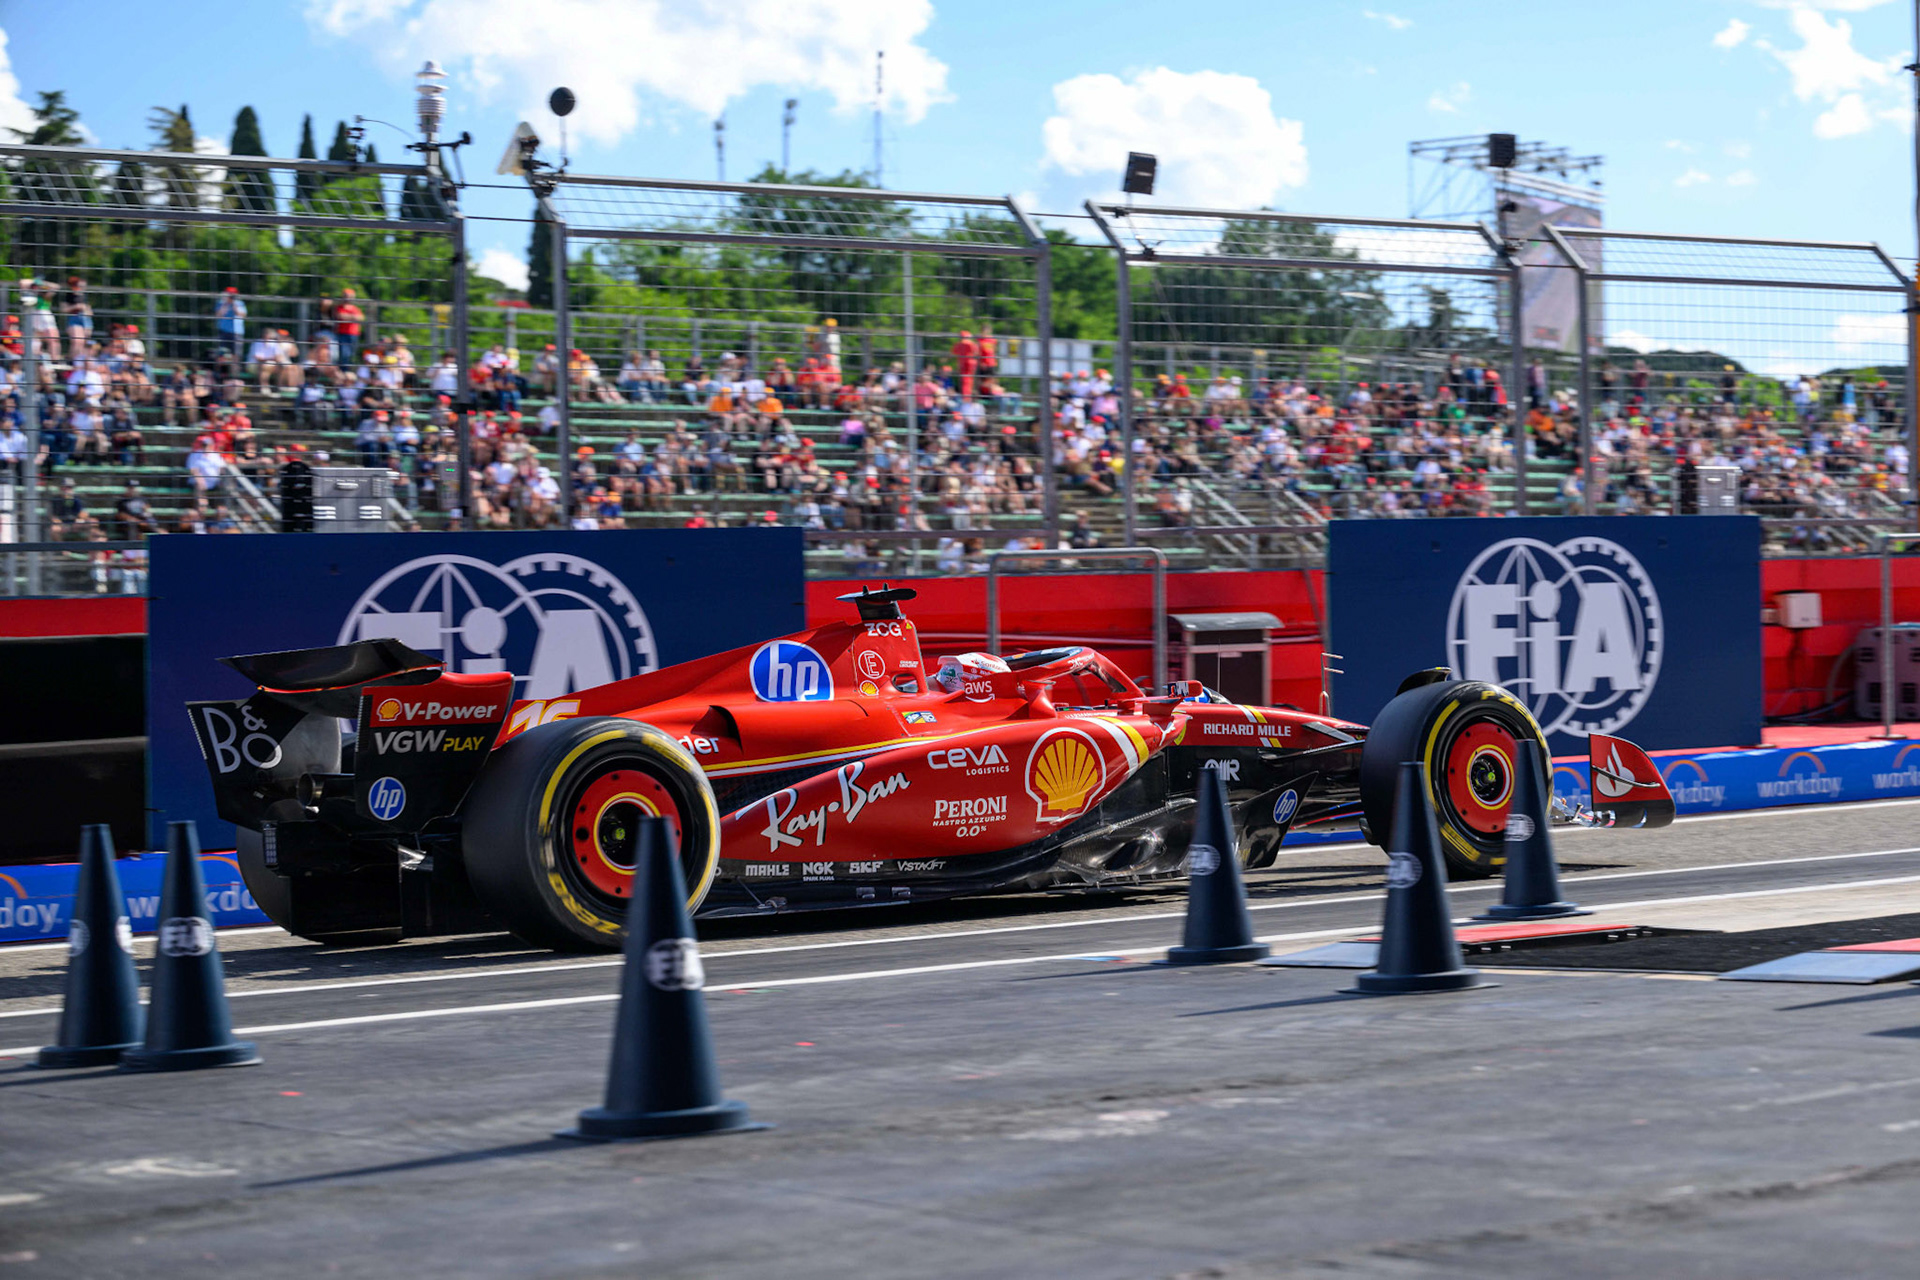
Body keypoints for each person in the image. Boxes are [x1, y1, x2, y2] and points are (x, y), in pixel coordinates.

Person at [334, 288, 365, 364]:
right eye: (346, 296)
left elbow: (361, 318)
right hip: (343, 334)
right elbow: (340, 316)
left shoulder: (355, 308)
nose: (348, 298)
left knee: (352, 354)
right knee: (344, 354)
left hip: (354, 334)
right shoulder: (340, 307)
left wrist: (349, 316)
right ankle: (344, 370)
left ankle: (349, 370)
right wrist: (353, 317)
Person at [214, 286, 247, 358]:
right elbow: (218, 315)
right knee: (221, 353)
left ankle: (235, 369)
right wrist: (226, 304)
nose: (231, 297)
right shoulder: (221, 303)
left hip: (237, 331)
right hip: (223, 330)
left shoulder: (240, 303)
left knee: (236, 353)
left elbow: (242, 315)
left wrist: (234, 305)